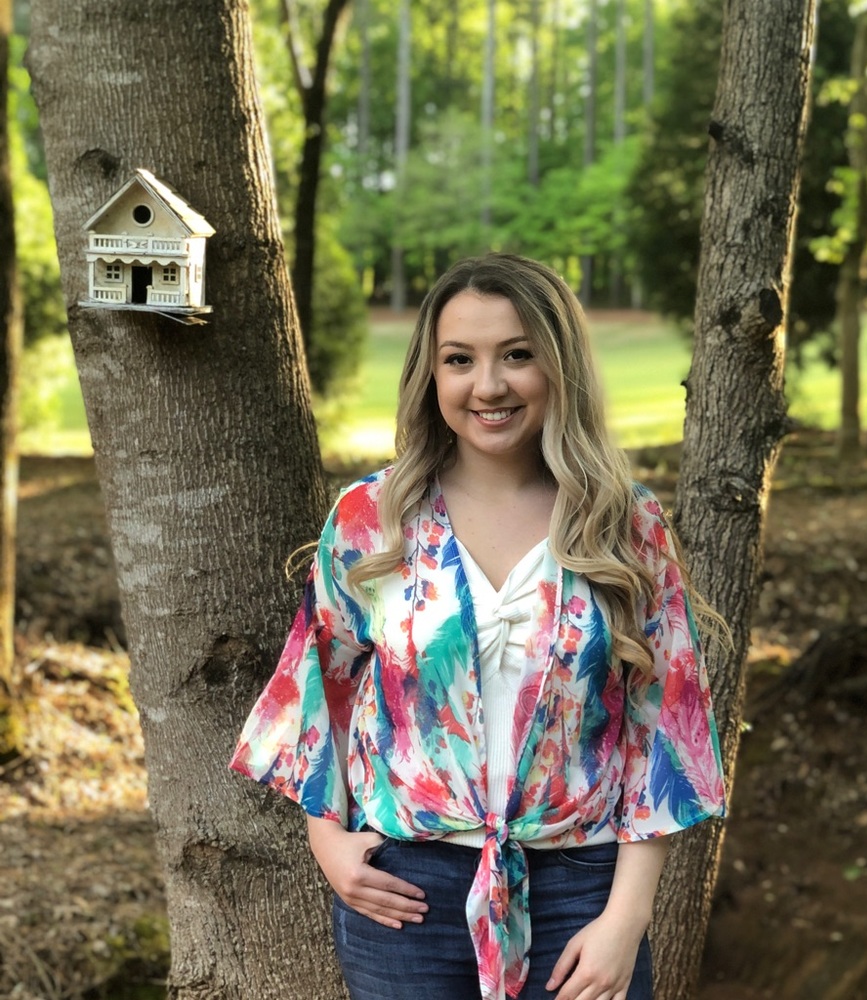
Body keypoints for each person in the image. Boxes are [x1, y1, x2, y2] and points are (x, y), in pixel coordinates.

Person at [230, 253, 726, 1000]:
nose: (488, 385)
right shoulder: (374, 520)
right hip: (408, 896)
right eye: (459, 359)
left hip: (580, 889)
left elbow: (666, 731)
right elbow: (314, 690)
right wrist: (327, 843)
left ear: (559, 366)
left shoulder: (623, 525)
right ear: (431, 376)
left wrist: (626, 917)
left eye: (518, 355)